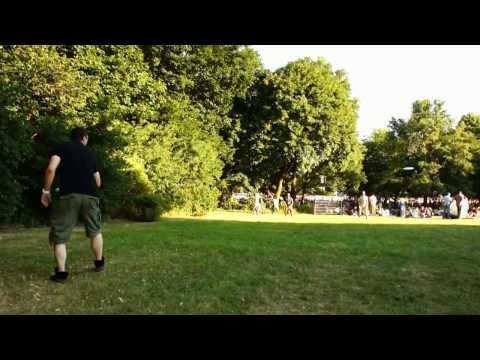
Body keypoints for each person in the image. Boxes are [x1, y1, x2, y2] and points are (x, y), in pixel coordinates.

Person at [41, 127, 104, 283]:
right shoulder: (90, 153)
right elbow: (98, 181)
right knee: (95, 231)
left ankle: (61, 273)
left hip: (68, 196)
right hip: (90, 196)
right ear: (84, 138)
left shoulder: (62, 147)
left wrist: (46, 191)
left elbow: (51, 169)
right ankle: (99, 263)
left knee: (60, 235)